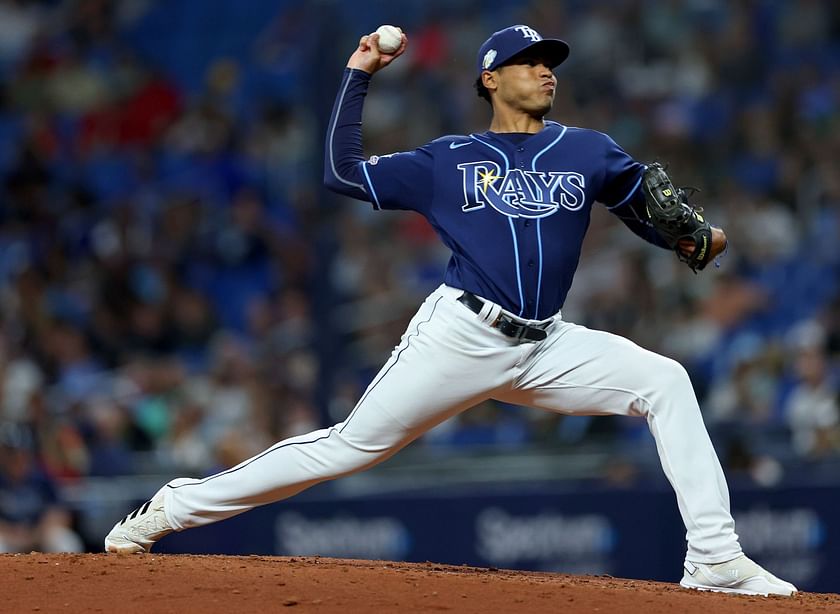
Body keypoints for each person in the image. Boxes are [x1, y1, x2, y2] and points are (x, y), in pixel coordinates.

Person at [105, 24, 796, 596]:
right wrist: (360, 71)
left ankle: (713, 558)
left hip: (549, 344)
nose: (545, 71)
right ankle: (173, 505)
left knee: (665, 380)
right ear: (490, 79)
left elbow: (645, 209)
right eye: (529, 63)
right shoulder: (449, 158)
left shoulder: (588, 149)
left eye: (550, 62)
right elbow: (342, 173)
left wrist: (692, 238)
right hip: (461, 334)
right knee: (348, 446)